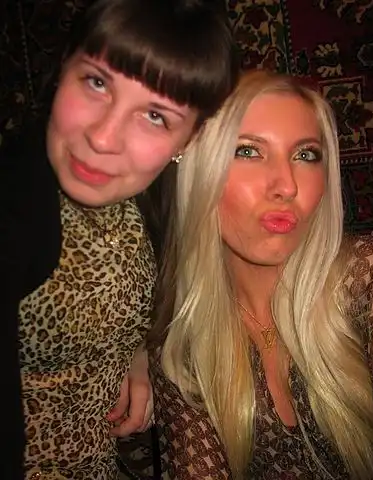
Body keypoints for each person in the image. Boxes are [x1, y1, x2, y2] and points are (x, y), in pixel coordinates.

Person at [13, 0, 238, 478]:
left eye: (155, 115)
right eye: (97, 82)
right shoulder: (20, 203)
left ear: (189, 141)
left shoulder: (160, 195)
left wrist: (134, 349)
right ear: (63, 69)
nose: (103, 138)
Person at [148, 70, 373, 479]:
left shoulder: (368, 275)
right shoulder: (184, 347)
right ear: (198, 174)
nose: (287, 185)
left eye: (306, 155)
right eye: (248, 151)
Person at [0, 135, 61, 479]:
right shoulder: (22, 177)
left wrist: (140, 347)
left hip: (102, 458)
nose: (103, 138)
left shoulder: (142, 196)